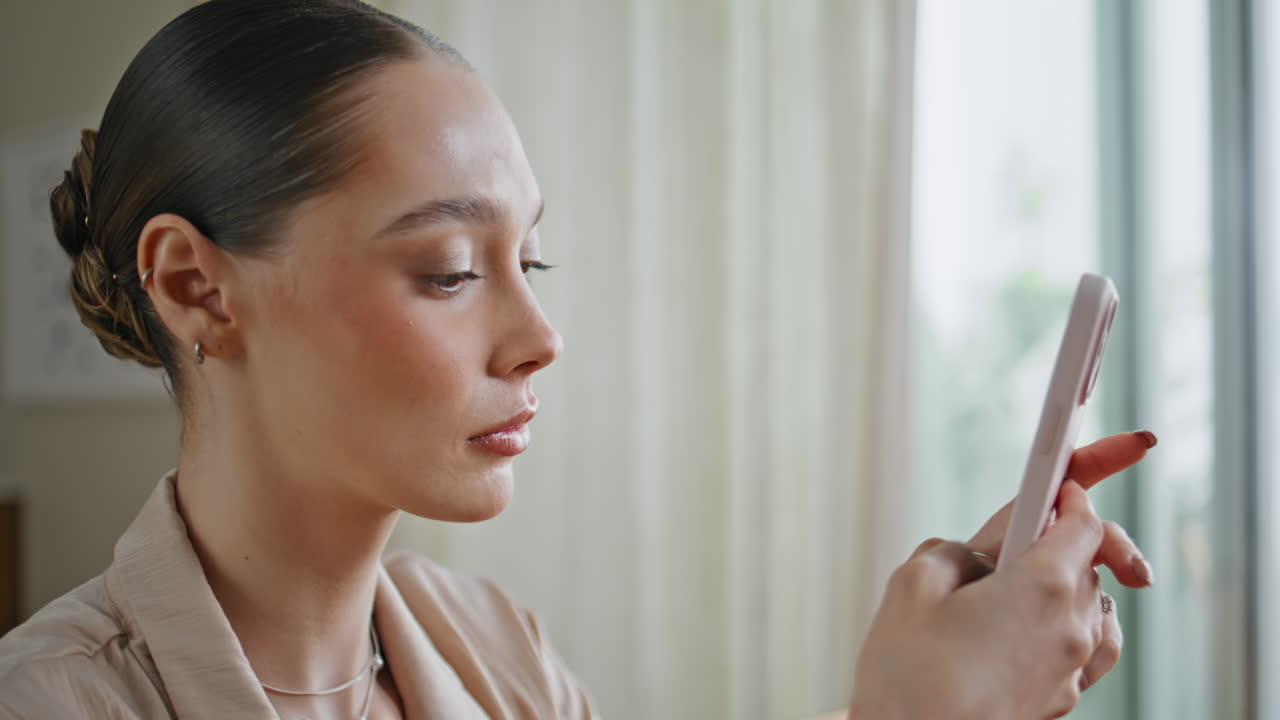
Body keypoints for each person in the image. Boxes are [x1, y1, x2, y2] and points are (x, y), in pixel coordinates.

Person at [0, 1, 1156, 718]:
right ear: (195, 288)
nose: (541, 337)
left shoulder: (492, 645)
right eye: (450, 269)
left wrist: (927, 686)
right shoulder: (54, 701)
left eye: (530, 261)